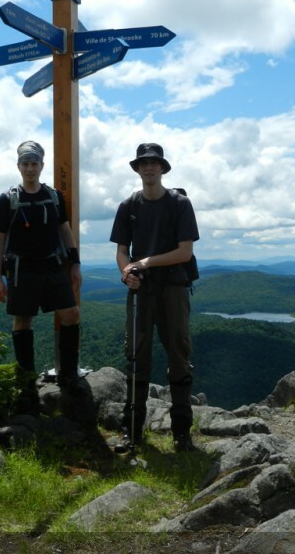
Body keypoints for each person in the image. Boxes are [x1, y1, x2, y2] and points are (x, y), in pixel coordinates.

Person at [110, 142, 200, 452]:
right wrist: (127, 273)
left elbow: (185, 252)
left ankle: (181, 432)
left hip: (173, 287)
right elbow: (122, 252)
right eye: (143, 163)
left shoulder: (179, 204)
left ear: (162, 167)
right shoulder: (128, 206)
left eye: (154, 163)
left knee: (178, 355)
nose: (149, 168)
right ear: (137, 169)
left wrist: (144, 262)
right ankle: (132, 431)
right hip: (143, 289)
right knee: (137, 356)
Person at [0, 140, 83, 403]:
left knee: (71, 314)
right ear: (19, 166)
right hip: (22, 269)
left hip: (52, 266)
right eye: (26, 164)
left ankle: (68, 374)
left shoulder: (53, 197)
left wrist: (75, 263)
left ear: (42, 166)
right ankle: (27, 383)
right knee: (22, 321)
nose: (30, 169)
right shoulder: (7, 200)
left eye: (35, 164)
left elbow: (65, 230)